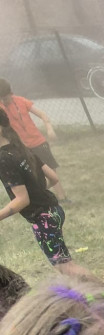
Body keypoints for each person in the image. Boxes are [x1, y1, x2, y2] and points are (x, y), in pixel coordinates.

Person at [0, 108, 88, 277]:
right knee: (65, 265)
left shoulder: (3, 159)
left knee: (66, 267)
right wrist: (36, 191)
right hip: (54, 210)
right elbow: (53, 178)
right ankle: (91, 297)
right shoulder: (20, 148)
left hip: (43, 219)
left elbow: (22, 200)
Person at [0, 78, 66, 201]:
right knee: (31, 175)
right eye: (1, 98)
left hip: (38, 142)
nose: (4, 101)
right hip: (22, 146)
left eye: (5, 97)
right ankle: (38, 196)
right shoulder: (1, 109)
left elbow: (42, 114)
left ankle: (62, 198)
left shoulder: (21, 101)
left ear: (10, 93)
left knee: (51, 169)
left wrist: (49, 128)